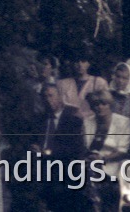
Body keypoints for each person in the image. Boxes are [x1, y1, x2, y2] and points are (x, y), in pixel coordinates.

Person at [34, 82, 88, 212]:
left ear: (60, 97)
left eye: (51, 96)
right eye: (45, 96)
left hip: (63, 164)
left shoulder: (72, 120)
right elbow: (34, 140)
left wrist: (48, 153)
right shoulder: (40, 120)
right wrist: (34, 147)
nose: (48, 100)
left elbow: (75, 148)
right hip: (39, 163)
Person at [84, 89, 130, 212]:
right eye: (96, 104)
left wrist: (102, 159)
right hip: (90, 165)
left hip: (113, 164)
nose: (100, 107)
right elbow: (84, 146)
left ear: (110, 104)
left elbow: (123, 150)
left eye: (103, 104)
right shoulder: (87, 122)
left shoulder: (123, 122)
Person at [58, 55, 112, 121]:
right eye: (76, 61)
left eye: (83, 61)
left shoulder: (99, 82)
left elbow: (106, 105)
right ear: (72, 63)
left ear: (88, 64)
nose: (80, 65)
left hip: (91, 122)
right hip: (67, 122)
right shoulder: (62, 83)